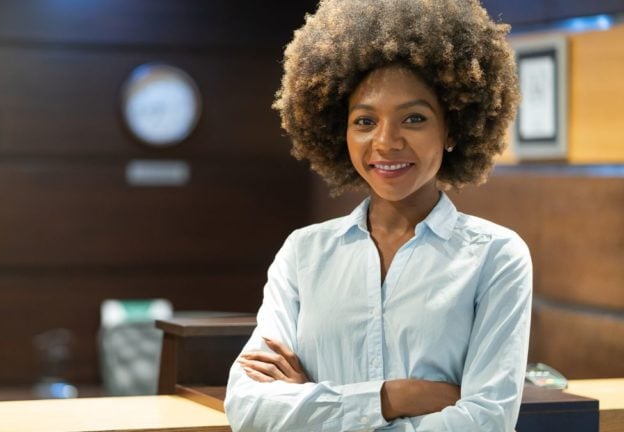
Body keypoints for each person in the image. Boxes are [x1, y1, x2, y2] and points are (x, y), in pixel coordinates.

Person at [224, 0, 532, 431]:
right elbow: (250, 410)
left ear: (453, 130)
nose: (386, 142)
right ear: (339, 130)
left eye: (414, 118)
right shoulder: (303, 253)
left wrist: (314, 404)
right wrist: (394, 397)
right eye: (365, 121)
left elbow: (485, 420)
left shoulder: (496, 257)